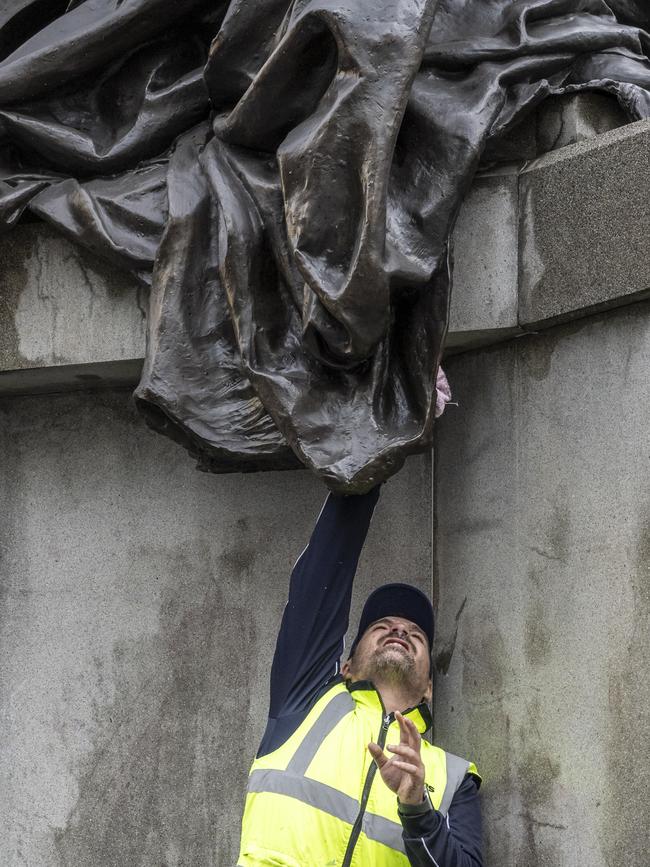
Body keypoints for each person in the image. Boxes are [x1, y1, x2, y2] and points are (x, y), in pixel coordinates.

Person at [237, 485, 482, 866]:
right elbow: (319, 585)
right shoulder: (305, 702)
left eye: (415, 634)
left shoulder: (454, 778)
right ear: (345, 667)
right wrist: (362, 474)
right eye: (382, 626)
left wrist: (417, 810)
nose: (400, 631)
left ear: (429, 687)